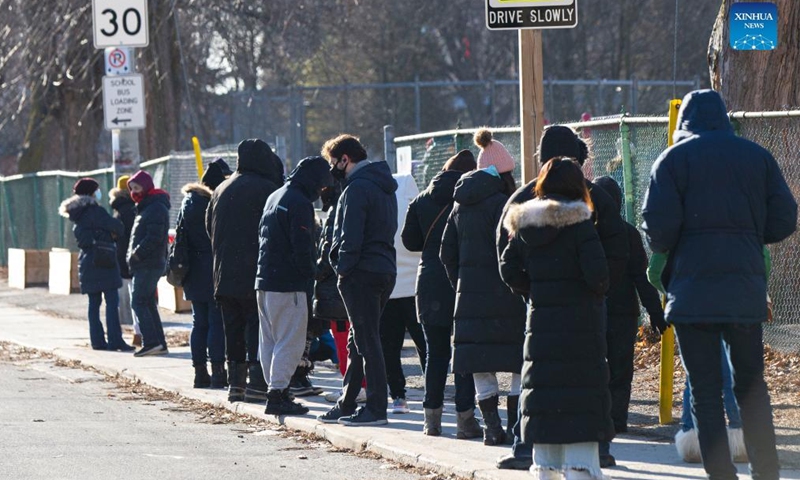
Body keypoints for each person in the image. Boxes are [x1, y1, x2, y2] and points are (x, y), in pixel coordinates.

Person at [642, 89, 797, 480]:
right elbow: (785, 218)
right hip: (743, 292)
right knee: (752, 387)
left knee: (706, 392)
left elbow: (656, 230)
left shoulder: (672, 160)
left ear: (683, 124)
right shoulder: (756, 157)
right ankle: (767, 472)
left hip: (692, 293)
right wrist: (748, 234)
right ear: (724, 118)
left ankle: (721, 474)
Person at [495, 125, 629, 471]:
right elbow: (615, 251)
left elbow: (505, 257)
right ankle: (595, 449)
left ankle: (528, 448)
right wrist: (598, 291)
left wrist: (532, 289)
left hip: (540, 311)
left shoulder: (522, 203)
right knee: (585, 379)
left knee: (538, 379)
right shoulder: (593, 202)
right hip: (585, 311)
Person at [440, 129, 526, 446]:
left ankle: (492, 429)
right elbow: (516, 251)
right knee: (518, 361)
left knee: (480, 366)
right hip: (508, 297)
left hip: (470, 300)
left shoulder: (459, 206)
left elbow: (445, 253)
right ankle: (518, 428)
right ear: (505, 174)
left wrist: (461, 284)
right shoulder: (506, 206)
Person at [317, 134, 398, 427]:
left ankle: (376, 408)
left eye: (332, 162)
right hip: (384, 269)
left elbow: (349, 237)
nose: (332, 169)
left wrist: (341, 268)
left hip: (361, 273)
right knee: (359, 339)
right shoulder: (384, 186)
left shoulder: (355, 190)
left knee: (366, 340)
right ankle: (348, 401)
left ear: (345, 159)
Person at [401, 149, 480, 438]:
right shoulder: (469, 199)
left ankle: (431, 421)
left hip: (429, 280)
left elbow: (409, 241)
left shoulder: (421, 199)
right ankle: (465, 419)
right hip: (460, 280)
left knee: (435, 354)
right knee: (463, 353)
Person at [592, 175, 667, 467]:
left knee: (596, 364)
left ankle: (599, 416)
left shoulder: (586, 231)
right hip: (624, 312)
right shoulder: (628, 233)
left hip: (593, 310)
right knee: (621, 367)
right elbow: (642, 278)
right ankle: (618, 418)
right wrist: (655, 314)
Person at [206, 139, 285, 403]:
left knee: (232, 329)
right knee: (257, 328)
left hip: (223, 273)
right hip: (256, 271)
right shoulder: (268, 189)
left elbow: (210, 227)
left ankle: (235, 385)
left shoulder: (220, 189)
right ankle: (257, 382)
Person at [255, 155, 333, 416]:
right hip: (288, 284)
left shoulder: (275, 196)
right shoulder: (299, 203)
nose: (322, 191)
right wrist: (314, 274)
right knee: (290, 341)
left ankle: (275, 390)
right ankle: (277, 395)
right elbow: (302, 247)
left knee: (269, 340)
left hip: (264, 279)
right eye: (322, 185)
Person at [59, 178, 133, 352]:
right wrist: (109, 234)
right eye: (96, 190)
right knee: (111, 302)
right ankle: (115, 340)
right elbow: (118, 227)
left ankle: (97, 341)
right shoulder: (95, 211)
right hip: (104, 260)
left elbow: (82, 235)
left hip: (87, 262)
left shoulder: (76, 213)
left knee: (94, 304)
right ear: (91, 193)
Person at [179, 159, 232, 389]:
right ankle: (218, 372)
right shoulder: (212, 203)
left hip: (192, 271)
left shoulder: (188, 202)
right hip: (211, 269)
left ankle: (199, 372)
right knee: (215, 323)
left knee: (198, 323)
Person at [315, 182, 367, 405]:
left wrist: (315, 271)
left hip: (336, 289)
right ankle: (360, 385)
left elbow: (328, 250)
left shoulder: (337, 209)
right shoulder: (356, 201)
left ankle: (354, 388)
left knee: (344, 340)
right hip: (355, 284)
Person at [380, 173, 427, 415]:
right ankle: (432, 394)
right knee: (424, 345)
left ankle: (398, 396)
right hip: (416, 286)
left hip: (387, 286)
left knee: (389, 347)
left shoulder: (378, 201)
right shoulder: (416, 204)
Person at [127, 170, 170, 357]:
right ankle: (158, 343)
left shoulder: (154, 208)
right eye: (132, 188)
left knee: (138, 301)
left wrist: (136, 255)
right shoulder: (147, 207)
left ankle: (151, 341)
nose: (134, 192)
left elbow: (153, 237)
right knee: (148, 303)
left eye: (137, 188)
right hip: (146, 263)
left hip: (148, 263)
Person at [109, 175, 141, 347]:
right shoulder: (136, 208)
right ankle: (140, 332)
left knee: (133, 297)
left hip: (122, 259)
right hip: (138, 258)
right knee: (140, 298)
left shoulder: (118, 211)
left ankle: (138, 332)